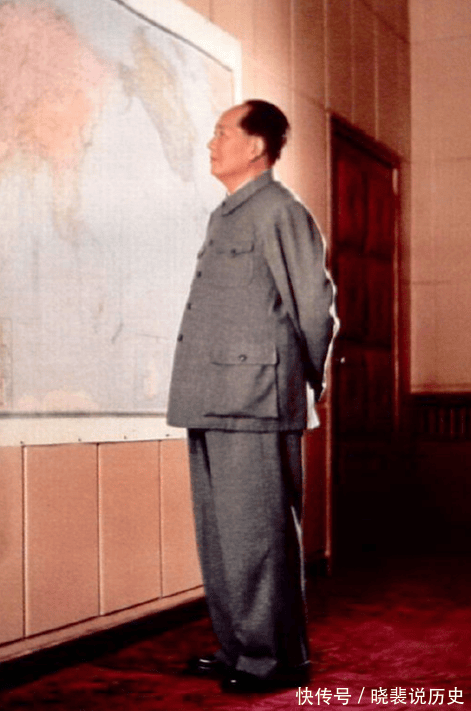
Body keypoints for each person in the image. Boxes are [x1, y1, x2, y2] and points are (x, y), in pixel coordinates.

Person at [167, 100, 338, 694]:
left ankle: (274, 661)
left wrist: (307, 383)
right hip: (212, 396)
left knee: (260, 538)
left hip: (257, 400)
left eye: (222, 133)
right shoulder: (228, 214)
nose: (211, 142)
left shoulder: (280, 211)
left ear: (256, 147)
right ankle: (238, 648)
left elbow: (315, 309)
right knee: (222, 538)